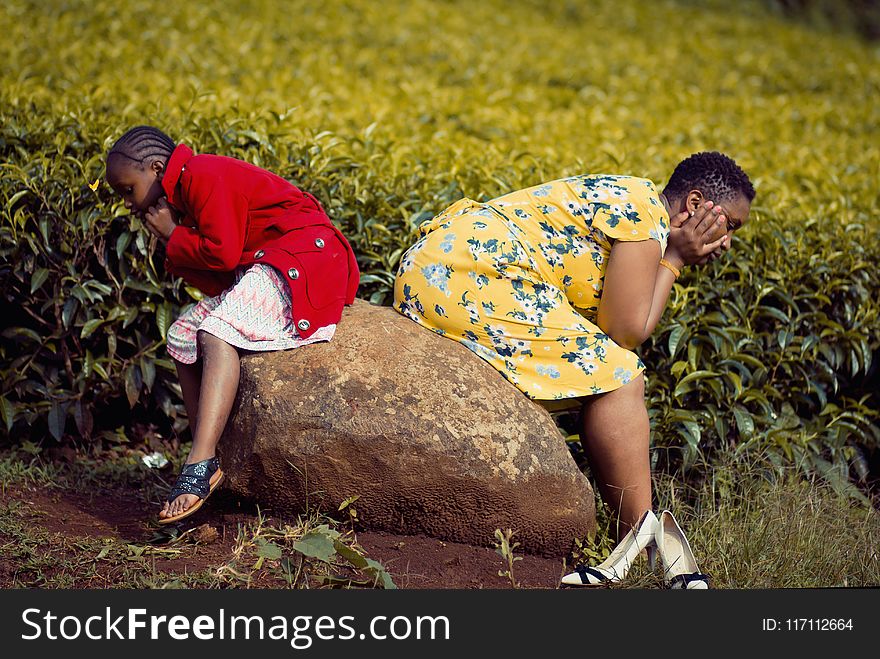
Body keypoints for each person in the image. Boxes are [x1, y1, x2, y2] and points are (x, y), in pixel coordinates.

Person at [392, 152, 754, 587]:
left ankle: (638, 539)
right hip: (471, 275)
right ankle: (639, 541)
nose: (729, 241)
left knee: (606, 366)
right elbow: (625, 330)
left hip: (441, 265)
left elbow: (614, 326)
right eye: (730, 225)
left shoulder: (634, 197)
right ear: (694, 204)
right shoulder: (644, 216)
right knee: (622, 376)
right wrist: (673, 260)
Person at [105, 126, 360, 525]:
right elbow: (223, 277)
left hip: (304, 255)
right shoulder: (183, 191)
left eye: (127, 190)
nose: (128, 204)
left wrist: (174, 235)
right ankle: (213, 457)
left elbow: (221, 256)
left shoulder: (202, 174)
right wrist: (175, 237)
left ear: (156, 168)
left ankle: (200, 460)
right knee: (183, 334)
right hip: (268, 262)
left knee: (215, 331)